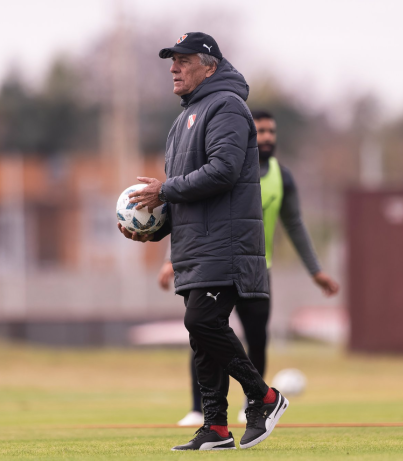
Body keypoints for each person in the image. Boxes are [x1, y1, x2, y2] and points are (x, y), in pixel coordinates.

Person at [117, 32, 288, 451]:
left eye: (184, 60)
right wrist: (151, 228)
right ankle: (216, 427)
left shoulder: (227, 106)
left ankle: (265, 397)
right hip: (195, 248)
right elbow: (184, 195)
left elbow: (224, 171)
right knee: (201, 338)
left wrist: (165, 190)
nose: (173, 68)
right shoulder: (184, 118)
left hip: (225, 243)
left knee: (202, 322)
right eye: (172, 61)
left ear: (209, 66)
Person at [160, 110, 340, 427]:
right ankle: (199, 408)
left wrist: (315, 271)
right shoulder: (223, 172)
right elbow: (191, 212)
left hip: (258, 269)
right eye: (261, 131)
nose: (268, 137)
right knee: (204, 329)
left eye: (271, 131)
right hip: (217, 265)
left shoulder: (281, 178)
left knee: (256, 338)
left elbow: (294, 224)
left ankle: (252, 404)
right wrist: (169, 259)